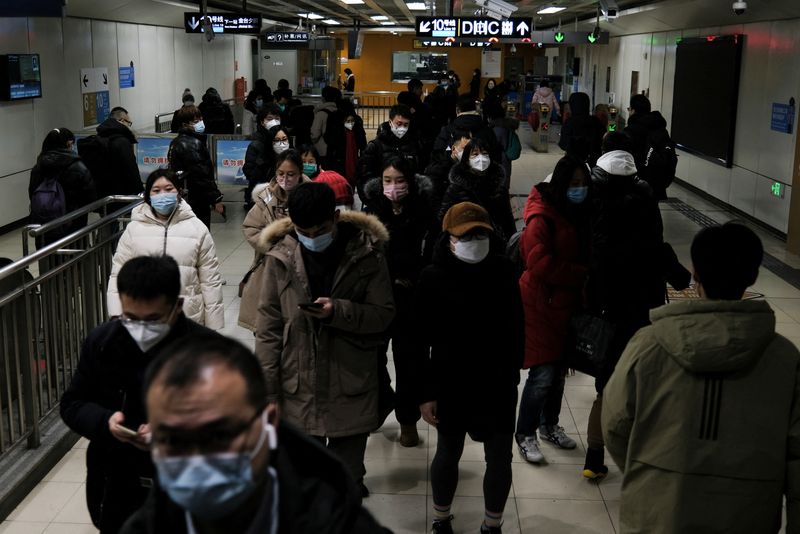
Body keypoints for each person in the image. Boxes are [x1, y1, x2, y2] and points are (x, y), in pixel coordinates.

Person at [602, 223, 800, 533]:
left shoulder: (649, 344)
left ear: (695, 274)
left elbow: (614, 424)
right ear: (752, 277)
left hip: (658, 513)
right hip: (748, 515)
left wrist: (651, 471)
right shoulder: (786, 361)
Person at [120, 334, 391, 534]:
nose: (197, 459)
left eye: (219, 436)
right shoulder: (143, 528)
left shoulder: (340, 525)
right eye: (172, 440)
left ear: (269, 422)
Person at [255, 182, 395, 496]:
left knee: (346, 482)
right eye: (303, 231)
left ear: (334, 217)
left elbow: (383, 315)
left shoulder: (366, 254)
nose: (311, 238)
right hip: (298, 387)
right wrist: (266, 392)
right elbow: (268, 330)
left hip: (351, 383)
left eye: (319, 230)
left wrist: (338, 312)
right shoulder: (280, 258)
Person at [61, 255, 213, 534]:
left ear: (177, 306)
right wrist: (105, 421)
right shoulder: (102, 343)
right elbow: (73, 404)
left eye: (153, 319)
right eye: (131, 317)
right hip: (115, 481)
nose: (141, 329)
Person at [414, 202, 524, 534]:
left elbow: (517, 327)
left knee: (500, 456)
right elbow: (419, 340)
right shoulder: (432, 277)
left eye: (480, 234)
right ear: (448, 237)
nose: (473, 240)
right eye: (465, 235)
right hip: (450, 379)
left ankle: (492, 524)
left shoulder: (504, 270)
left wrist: (514, 374)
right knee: (449, 451)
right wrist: (425, 392)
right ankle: (441, 518)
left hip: (498, 380)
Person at [582, 131, 668, 479]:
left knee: (606, 379)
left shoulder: (594, 190)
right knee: (638, 375)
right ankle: (634, 452)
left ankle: (594, 454)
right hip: (642, 300)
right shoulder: (644, 195)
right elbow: (657, 245)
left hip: (607, 300)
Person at [515, 157, 591, 465]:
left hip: (567, 304)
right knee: (543, 372)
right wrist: (580, 274)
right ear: (559, 185)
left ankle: (549, 425)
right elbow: (539, 263)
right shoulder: (541, 218)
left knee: (559, 371)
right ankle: (525, 433)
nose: (580, 190)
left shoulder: (580, 214)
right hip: (540, 303)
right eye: (573, 184)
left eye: (584, 184)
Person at [364, 157, 435, 447]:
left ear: (411, 181)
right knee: (373, 358)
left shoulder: (425, 212)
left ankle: (408, 420)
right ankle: (382, 403)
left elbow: (431, 255)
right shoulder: (371, 213)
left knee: (410, 361)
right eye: (388, 181)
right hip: (377, 299)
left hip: (412, 300)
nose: (393, 187)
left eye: (399, 180)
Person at [107, 169, 224, 330]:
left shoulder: (197, 229)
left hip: (187, 318)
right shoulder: (133, 230)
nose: (163, 194)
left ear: (179, 192)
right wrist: (116, 314)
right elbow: (118, 274)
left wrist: (213, 325)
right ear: (148, 195)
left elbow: (210, 279)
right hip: (143, 318)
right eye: (156, 190)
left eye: (169, 189)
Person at [239, 149, 311, 332]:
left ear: (300, 173)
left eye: (291, 174)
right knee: (268, 323)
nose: (285, 179)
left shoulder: (312, 195)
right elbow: (251, 227)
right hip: (270, 265)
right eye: (280, 174)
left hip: (305, 267)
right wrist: (270, 246)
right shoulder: (266, 198)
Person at [439, 137, 515, 239]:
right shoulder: (456, 189)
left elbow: (507, 220)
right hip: (464, 241)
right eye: (475, 154)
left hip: (494, 242)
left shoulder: (499, 189)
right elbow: (444, 219)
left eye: (485, 154)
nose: (481, 158)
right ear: (466, 160)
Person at [28, 127, 96, 240]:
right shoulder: (78, 167)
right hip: (74, 224)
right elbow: (91, 197)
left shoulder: (37, 168)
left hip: (45, 226)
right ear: (68, 144)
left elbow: (32, 194)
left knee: (47, 254)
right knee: (75, 254)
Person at [168, 105, 225, 229]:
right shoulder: (192, 144)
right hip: (197, 197)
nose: (200, 124)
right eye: (195, 121)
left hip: (185, 196)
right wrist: (216, 198)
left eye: (200, 120)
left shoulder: (177, 141)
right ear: (185, 124)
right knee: (200, 231)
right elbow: (202, 174)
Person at [357, 104, 423, 205]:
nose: (402, 128)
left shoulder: (415, 145)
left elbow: (419, 172)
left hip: (409, 203)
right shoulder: (375, 146)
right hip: (380, 202)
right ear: (390, 122)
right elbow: (364, 178)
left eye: (406, 125)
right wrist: (374, 202)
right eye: (399, 124)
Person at [624, 93, 677, 200]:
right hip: (657, 185)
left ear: (633, 111)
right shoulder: (660, 128)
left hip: (636, 185)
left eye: (629, 109)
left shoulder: (630, 131)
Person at [93, 106, 143, 198]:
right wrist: (140, 191)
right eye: (129, 123)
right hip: (122, 196)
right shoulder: (122, 142)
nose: (129, 126)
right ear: (121, 120)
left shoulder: (98, 138)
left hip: (102, 196)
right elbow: (131, 169)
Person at [433, 95, 500, 163]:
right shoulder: (487, 130)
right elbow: (496, 156)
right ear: (476, 109)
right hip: (483, 172)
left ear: (458, 110)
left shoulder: (447, 130)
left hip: (452, 171)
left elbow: (437, 155)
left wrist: (452, 156)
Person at [242, 105, 284, 208]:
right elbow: (249, 171)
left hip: (282, 192)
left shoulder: (284, 139)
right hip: (261, 193)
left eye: (277, 118)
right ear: (262, 122)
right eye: (269, 119)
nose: (274, 121)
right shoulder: (256, 144)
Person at [423, 130, 471, 217]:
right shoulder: (438, 169)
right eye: (465, 148)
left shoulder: (467, 167)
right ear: (453, 149)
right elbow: (433, 200)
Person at [300, 144, 354, 210]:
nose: (307, 164)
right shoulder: (297, 179)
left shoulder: (323, 180)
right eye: (303, 162)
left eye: (311, 161)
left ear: (317, 163)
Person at [558, 92, 604, 167]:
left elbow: (563, 145)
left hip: (573, 163)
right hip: (595, 162)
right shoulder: (596, 121)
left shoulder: (569, 122)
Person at [487, 103, 520, 189]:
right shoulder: (507, 127)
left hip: (499, 160)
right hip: (506, 161)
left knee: (498, 186)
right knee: (505, 182)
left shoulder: (497, 129)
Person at [338, 98, 368, 187]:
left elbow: (362, 140)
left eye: (352, 121)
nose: (350, 123)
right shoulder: (357, 120)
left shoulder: (356, 122)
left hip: (352, 156)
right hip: (346, 157)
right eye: (348, 121)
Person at [310, 86, 342, 168]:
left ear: (323, 98)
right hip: (337, 148)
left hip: (322, 150)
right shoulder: (339, 111)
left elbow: (315, 134)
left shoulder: (321, 114)